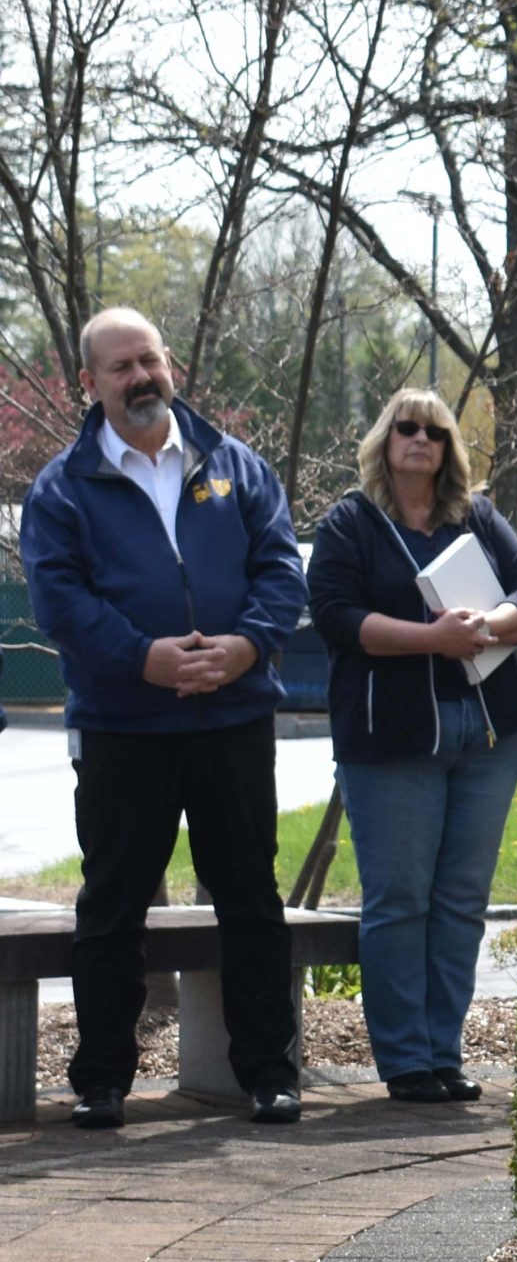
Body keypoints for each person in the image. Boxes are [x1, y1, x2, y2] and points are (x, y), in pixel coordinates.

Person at [20, 308, 309, 1127]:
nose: (139, 376)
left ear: (170, 363)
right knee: (112, 903)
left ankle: (268, 1073)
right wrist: (143, 657)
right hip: (124, 727)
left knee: (251, 895)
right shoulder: (61, 488)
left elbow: (282, 570)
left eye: (148, 360)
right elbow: (60, 602)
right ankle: (102, 1079)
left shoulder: (236, 466)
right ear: (90, 383)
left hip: (233, 719)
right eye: (119, 367)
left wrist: (247, 647)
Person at [305, 392, 517, 1104]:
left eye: (435, 431)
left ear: (448, 448)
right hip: (393, 741)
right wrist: (431, 639)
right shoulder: (352, 522)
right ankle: (406, 1060)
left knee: (462, 902)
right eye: (406, 428)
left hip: (487, 738)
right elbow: (336, 617)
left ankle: (445, 1051)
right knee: (400, 900)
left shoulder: (476, 516)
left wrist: (495, 621)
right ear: (384, 439)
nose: (420, 439)